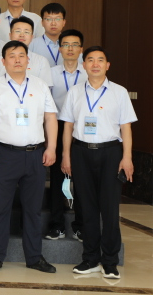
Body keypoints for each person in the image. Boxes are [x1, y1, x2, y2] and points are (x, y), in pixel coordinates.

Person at [0, 41, 58, 273]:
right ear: (3, 61)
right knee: (0, 207)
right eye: (12, 56)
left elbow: (50, 118)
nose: (17, 60)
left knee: (33, 209)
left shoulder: (40, 85)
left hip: (35, 155)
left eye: (21, 55)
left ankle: (34, 257)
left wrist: (51, 148)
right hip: (4, 155)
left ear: (28, 60)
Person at [61, 46, 136, 279]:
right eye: (90, 60)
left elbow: (126, 127)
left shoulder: (119, 92)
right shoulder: (74, 92)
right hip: (81, 152)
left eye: (100, 60)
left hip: (111, 153)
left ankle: (110, 261)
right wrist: (66, 155)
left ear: (107, 65)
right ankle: (90, 259)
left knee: (110, 209)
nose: (95, 64)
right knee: (86, 208)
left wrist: (127, 157)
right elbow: (68, 126)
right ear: (83, 65)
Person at [46, 29, 86, 242]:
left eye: (75, 45)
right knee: (57, 178)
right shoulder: (50, 73)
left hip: (82, 129)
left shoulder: (89, 72)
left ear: (81, 49)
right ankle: (56, 225)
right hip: (58, 126)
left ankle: (81, 226)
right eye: (66, 45)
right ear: (59, 48)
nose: (70, 49)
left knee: (81, 179)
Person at [0, 17, 53, 86]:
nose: (22, 35)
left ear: (31, 37)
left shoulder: (41, 61)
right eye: (17, 31)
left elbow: (45, 88)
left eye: (26, 32)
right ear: (10, 35)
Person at [29, 2, 68, 67]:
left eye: (58, 19)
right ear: (42, 22)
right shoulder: (32, 44)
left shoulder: (72, 45)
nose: (53, 23)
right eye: (48, 19)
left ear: (64, 22)